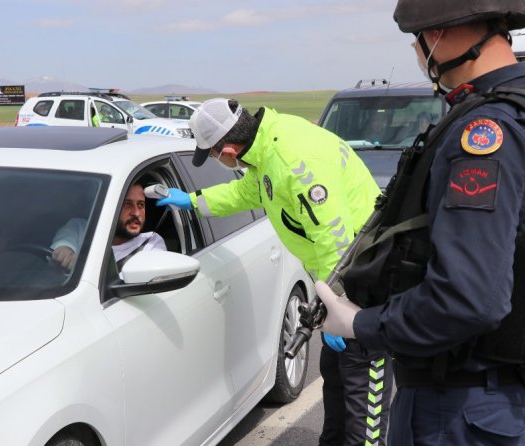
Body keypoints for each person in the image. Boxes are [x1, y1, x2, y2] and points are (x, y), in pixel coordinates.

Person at [315, 1, 525, 444]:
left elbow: (469, 297)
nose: (420, 55)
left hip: (456, 408)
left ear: (439, 34)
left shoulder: (486, 131)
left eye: (418, 41)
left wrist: (362, 325)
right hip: (499, 396)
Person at [156, 98, 393, 445]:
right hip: (340, 283)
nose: (215, 161)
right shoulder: (267, 149)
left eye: (212, 154)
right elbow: (248, 192)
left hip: (361, 285)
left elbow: (335, 238)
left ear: (229, 149)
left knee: (363, 412)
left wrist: (339, 306)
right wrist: (193, 201)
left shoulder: (291, 160)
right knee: (337, 395)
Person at [51, 182, 166, 271]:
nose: (136, 213)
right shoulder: (80, 227)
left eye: (141, 205)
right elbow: (63, 244)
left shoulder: (150, 242)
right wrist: (65, 251)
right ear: (108, 204)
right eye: (127, 204)